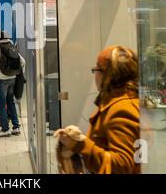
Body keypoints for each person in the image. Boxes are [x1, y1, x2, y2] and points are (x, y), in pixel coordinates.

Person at [55, 46, 140, 174]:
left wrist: (80, 145)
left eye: (96, 69)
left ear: (107, 75)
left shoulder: (121, 109)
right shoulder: (122, 102)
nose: (95, 74)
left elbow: (122, 166)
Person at [0, 32, 26, 137]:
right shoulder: (11, 45)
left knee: (2, 105)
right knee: (11, 102)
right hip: (13, 78)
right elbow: (23, 62)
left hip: (1, 80)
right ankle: (16, 127)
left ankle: (5, 129)